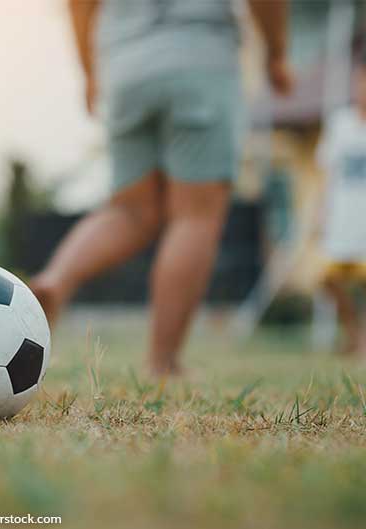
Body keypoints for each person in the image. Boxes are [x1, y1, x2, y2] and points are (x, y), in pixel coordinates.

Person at [31, 0, 292, 376]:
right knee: (195, 216)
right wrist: (276, 53)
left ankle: (56, 279)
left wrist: (90, 72)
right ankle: (163, 361)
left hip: (124, 64)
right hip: (198, 57)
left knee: (129, 211)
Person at [315, 56, 366, 356]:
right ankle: (354, 332)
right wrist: (319, 211)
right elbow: (327, 171)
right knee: (327, 278)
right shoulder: (340, 123)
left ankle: (361, 342)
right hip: (342, 218)